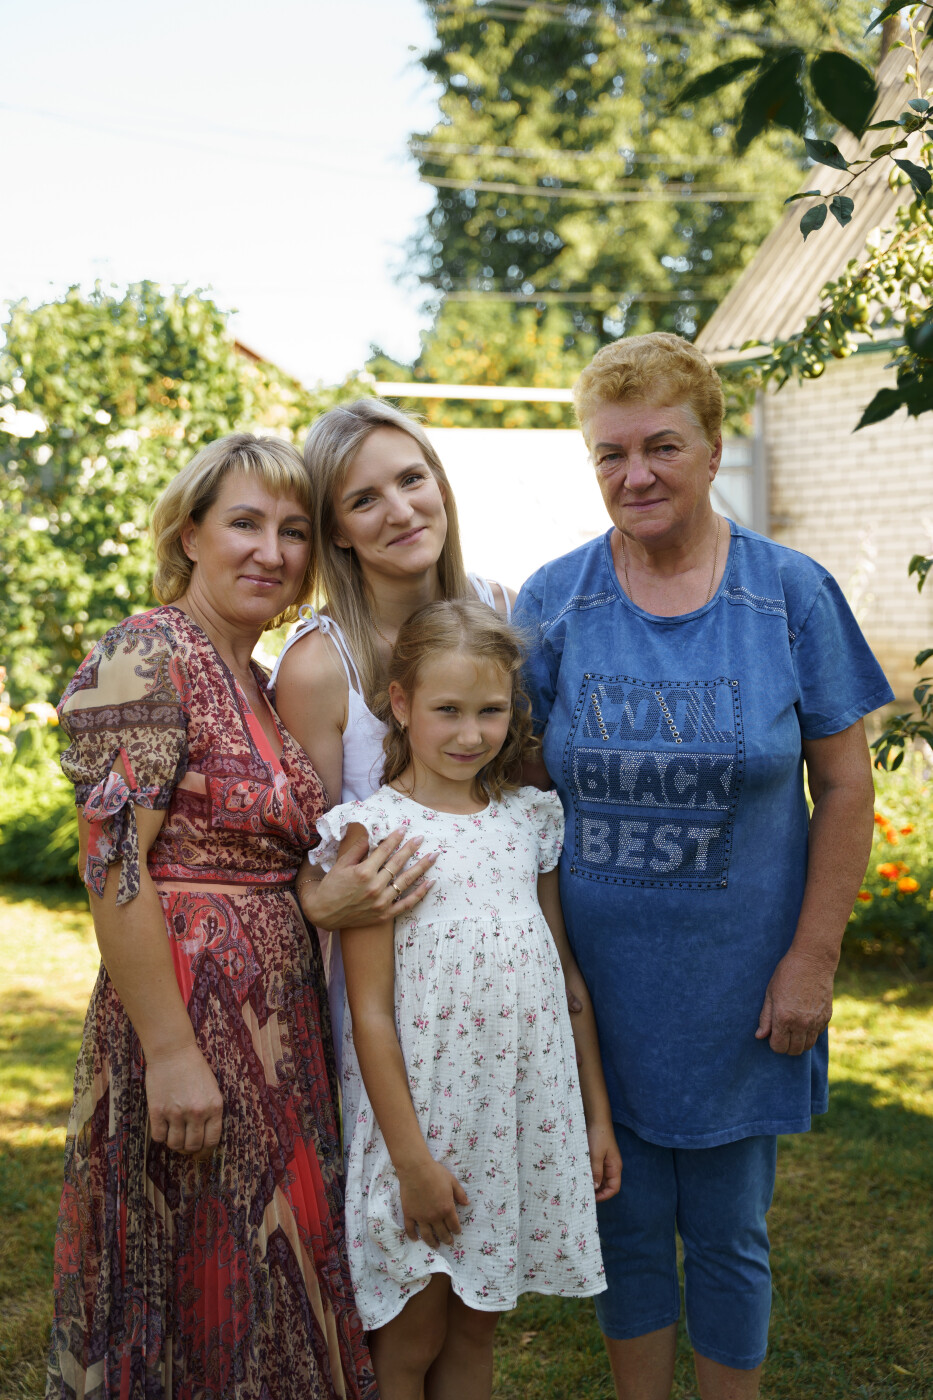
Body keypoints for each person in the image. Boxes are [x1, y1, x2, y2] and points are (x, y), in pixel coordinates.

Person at [513, 332, 893, 1400]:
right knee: (623, 1223)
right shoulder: (553, 602)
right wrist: (545, 966)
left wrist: (812, 959)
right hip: (599, 992)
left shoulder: (789, 594)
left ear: (715, 448)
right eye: (610, 452)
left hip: (742, 988)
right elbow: (524, 793)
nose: (634, 473)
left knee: (729, 1233)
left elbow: (846, 786)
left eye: (661, 446)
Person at [47, 434, 376, 1400]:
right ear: (189, 534)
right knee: (195, 1290)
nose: (272, 551)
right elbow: (113, 868)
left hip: (278, 1031)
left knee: (270, 1282)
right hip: (188, 1025)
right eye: (244, 523)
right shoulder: (145, 655)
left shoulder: (261, 679)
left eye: (293, 531)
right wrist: (171, 1053)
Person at [312, 599, 621, 1400]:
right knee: (411, 1335)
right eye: (446, 709)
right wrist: (412, 1164)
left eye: (490, 711)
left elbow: (563, 976)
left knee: (478, 1324)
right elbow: (368, 1012)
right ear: (400, 703)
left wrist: (594, 1115)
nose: (470, 733)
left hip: (511, 1118)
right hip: (422, 1128)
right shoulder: (374, 833)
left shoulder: (527, 820)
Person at [273, 398, 513, 1064]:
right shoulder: (319, 666)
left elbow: (529, 795)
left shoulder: (502, 609)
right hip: (395, 995)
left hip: (511, 971)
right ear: (337, 532)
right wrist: (318, 899)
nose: (402, 511)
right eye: (364, 500)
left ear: (439, 482)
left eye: (411, 479)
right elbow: (302, 855)